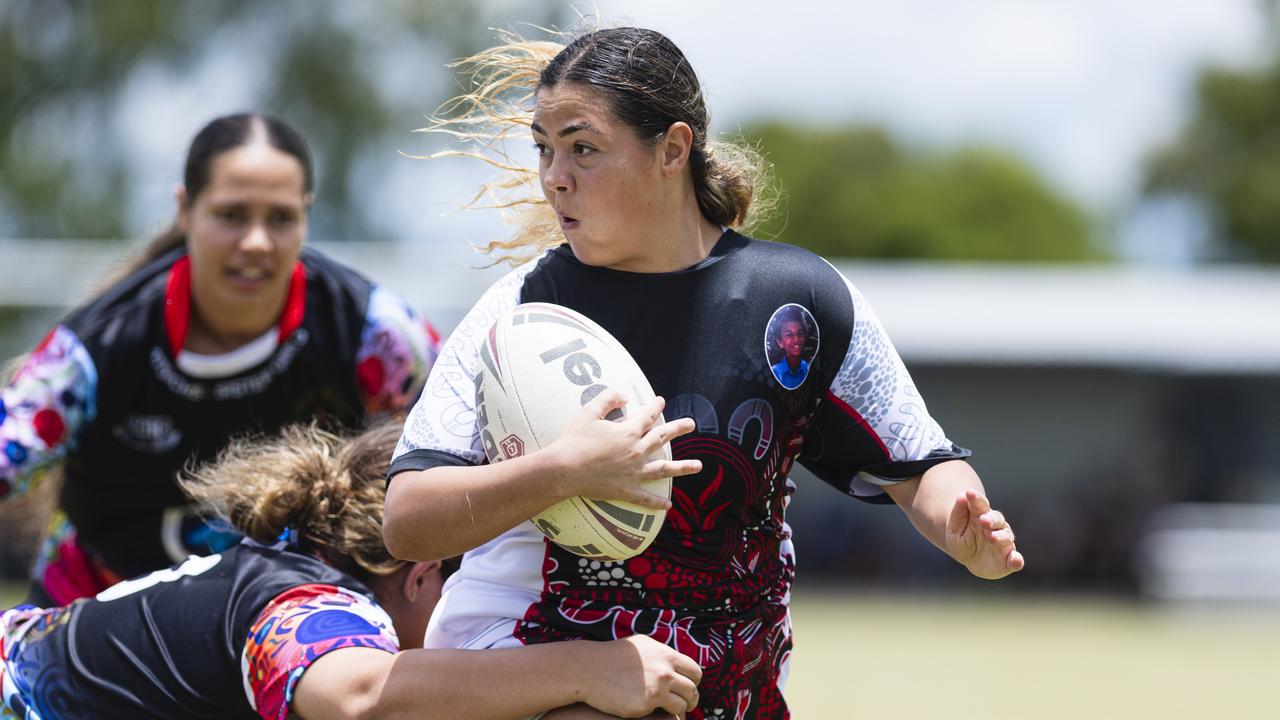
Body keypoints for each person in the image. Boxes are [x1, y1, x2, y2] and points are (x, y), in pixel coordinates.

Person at [383, 26, 1025, 720]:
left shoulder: (798, 305)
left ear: (674, 149)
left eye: (582, 148)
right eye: (544, 149)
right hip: (524, 656)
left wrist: (964, 526)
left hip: (729, 686)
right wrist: (564, 471)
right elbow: (408, 521)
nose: (553, 177)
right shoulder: (518, 315)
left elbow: (917, 465)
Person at [0, 113, 440, 606]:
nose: (256, 242)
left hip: (286, 611)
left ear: (306, 215)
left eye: (280, 218)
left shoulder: (372, 331)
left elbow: (464, 443)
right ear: (186, 210)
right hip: (100, 608)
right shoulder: (96, 348)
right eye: (231, 215)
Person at [0, 422, 701, 720]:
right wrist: (588, 666)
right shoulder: (308, 603)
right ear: (425, 573)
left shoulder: (288, 568)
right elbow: (360, 696)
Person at [767, 307, 812, 390]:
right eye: (789, 335)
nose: (796, 339)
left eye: (800, 333)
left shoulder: (809, 369)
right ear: (780, 342)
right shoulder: (774, 373)